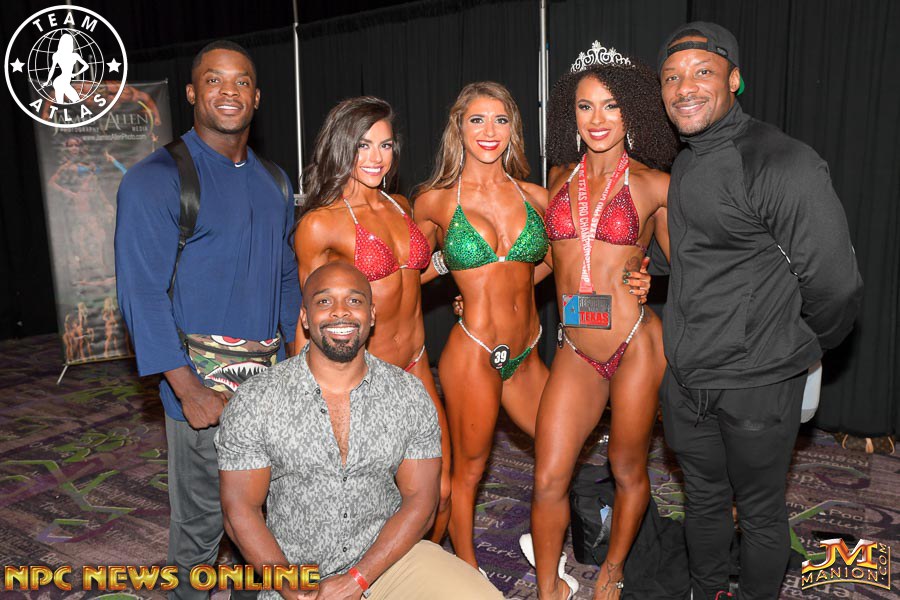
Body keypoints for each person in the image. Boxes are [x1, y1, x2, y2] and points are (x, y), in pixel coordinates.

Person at [657, 22, 863, 600]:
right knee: (702, 501)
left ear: (735, 80)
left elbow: (836, 286)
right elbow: (699, 251)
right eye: (671, 78)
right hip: (688, 380)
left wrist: (798, 346)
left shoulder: (783, 162)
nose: (684, 88)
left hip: (757, 384)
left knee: (760, 511)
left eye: (702, 72)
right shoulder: (687, 162)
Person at [115, 40, 300, 600]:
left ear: (257, 97)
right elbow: (141, 293)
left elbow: (285, 277)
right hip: (201, 389)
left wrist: (302, 368)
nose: (229, 91)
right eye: (214, 80)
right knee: (201, 532)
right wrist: (186, 388)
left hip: (270, 388)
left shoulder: (274, 180)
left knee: (264, 525)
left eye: (241, 81)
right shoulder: (155, 178)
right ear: (193, 93)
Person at [216, 262, 503, 600]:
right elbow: (240, 510)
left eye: (354, 301)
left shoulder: (407, 394)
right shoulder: (258, 398)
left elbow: (421, 501)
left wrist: (358, 578)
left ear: (372, 314)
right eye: (324, 301)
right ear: (305, 317)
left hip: (388, 561)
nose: (340, 312)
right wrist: (290, 587)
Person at [521, 45, 678, 600]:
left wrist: (652, 280)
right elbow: (551, 260)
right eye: (585, 107)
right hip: (577, 347)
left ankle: (612, 568)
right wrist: (489, 291)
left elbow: (685, 267)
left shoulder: (655, 184)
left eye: (610, 106)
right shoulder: (558, 178)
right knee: (548, 476)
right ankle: (549, 588)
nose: (597, 119)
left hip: (636, 344)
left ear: (631, 111)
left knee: (626, 467)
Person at [291, 96, 452, 542]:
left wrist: (462, 269)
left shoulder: (400, 205)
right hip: (364, 379)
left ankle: (422, 570)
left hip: (416, 365)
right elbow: (307, 317)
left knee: (441, 491)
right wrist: (302, 401)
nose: (377, 157)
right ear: (342, 146)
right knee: (363, 508)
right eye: (363, 145)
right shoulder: (320, 224)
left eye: (385, 145)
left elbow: (409, 277)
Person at [414, 81, 553, 570]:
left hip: (527, 352)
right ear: (459, 127)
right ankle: (468, 569)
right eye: (477, 119)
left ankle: (546, 542)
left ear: (514, 128)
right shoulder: (434, 201)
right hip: (473, 353)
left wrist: (503, 282)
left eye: (500, 119)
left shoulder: (536, 196)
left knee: (558, 452)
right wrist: (457, 270)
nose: (489, 131)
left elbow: (558, 261)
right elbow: (408, 273)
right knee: (469, 470)